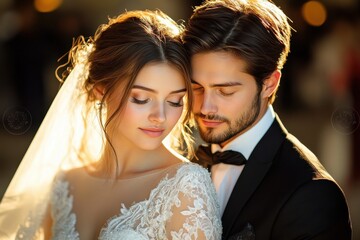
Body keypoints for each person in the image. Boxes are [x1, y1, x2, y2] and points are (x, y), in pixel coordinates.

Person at [0, 10, 222, 239]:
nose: (161, 116)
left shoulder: (186, 188)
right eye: (141, 99)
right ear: (101, 91)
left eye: (175, 101)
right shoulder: (65, 186)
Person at [182, 0, 352, 239]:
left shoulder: (311, 195)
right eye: (196, 87)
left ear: (269, 84)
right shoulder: (180, 166)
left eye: (225, 91)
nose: (204, 107)